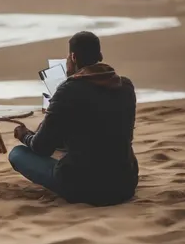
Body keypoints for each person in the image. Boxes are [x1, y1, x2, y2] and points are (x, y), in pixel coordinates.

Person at [9, 31, 139, 206]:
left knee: (17, 153)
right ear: (100, 56)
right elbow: (100, 126)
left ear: (73, 57)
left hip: (83, 187)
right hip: (125, 183)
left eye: (68, 58)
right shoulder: (125, 85)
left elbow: (41, 147)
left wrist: (24, 135)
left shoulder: (68, 90)